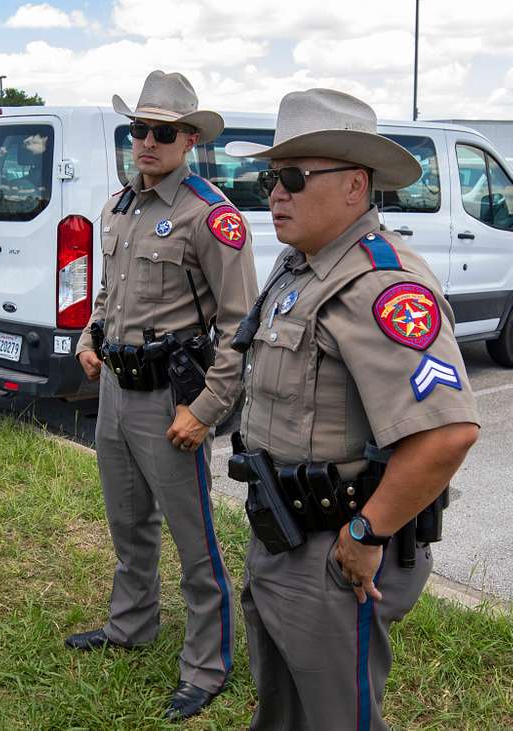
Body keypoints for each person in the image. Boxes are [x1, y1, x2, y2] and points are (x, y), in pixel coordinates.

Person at [224, 88, 480, 730]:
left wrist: (367, 535)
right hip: (282, 531)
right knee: (282, 711)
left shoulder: (381, 284)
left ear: (354, 185)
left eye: (292, 178)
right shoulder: (300, 267)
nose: (274, 194)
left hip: (335, 552)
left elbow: (447, 433)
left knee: (339, 718)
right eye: (270, 178)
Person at [67, 70, 258, 722]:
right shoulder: (119, 207)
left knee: (195, 543)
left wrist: (205, 410)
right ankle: (131, 624)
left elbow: (239, 326)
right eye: (139, 129)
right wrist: (91, 336)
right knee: (128, 525)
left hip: (170, 402)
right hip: (115, 393)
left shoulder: (210, 216)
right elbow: (109, 292)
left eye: (163, 132)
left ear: (189, 140)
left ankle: (206, 666)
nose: (147, 141)